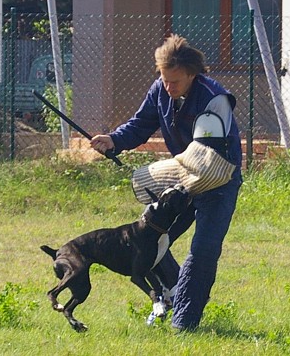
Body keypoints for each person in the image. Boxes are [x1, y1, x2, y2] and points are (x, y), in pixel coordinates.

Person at [90, 34, 243, 331]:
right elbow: (141, 124)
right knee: (150, 240)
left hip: (218, 182)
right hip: (182, 182)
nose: (168, 87)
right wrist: (114, 140)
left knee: (203, 251)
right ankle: (172, 295)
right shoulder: (160, 90)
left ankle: (183, 324)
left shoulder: (214, 98)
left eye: (174, 81)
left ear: (192, 74)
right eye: (164, 79)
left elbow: (205, 156)